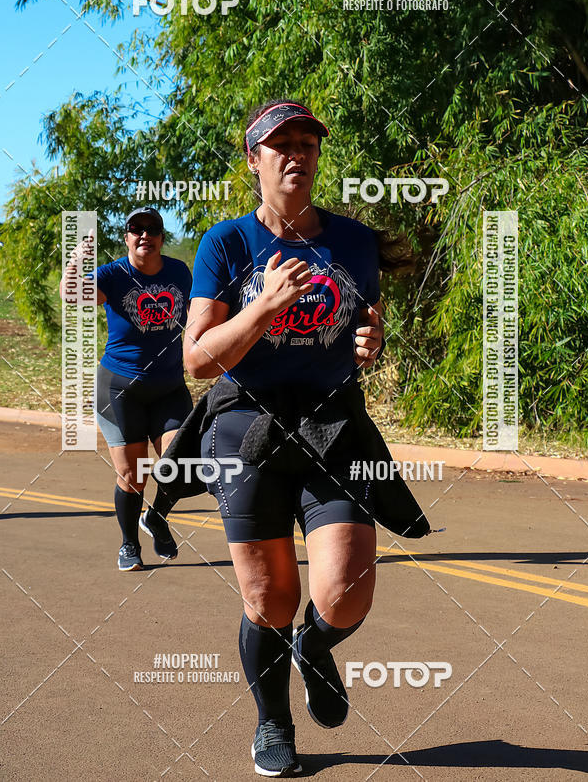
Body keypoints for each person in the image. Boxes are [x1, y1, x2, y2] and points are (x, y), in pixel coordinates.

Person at [181, 100, 428, 776]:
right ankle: (273, 724)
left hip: (333, 420)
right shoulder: (226, 244)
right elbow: (196, 361)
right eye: (279, 144)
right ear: (254, 159)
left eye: (306, 144)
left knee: (345, 593)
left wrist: (369, 342)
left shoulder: (351, 241)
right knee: (269, 602)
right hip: (245, 423)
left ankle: (313, 649)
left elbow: (360, 326)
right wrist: (261, 307)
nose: (296, 154)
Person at [60, 207, 193, 571]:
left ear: (163, 238)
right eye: (136, 229)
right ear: (127, 236)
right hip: (120, 389)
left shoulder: (179, 272)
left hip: (169, 387)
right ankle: (129, 544)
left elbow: (202, 313)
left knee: (178, 465)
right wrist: (77, 257)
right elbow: (70, 295)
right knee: (134, 475)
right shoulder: (113, 274)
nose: (144, 235)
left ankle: (157, 517)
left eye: (153, 229)